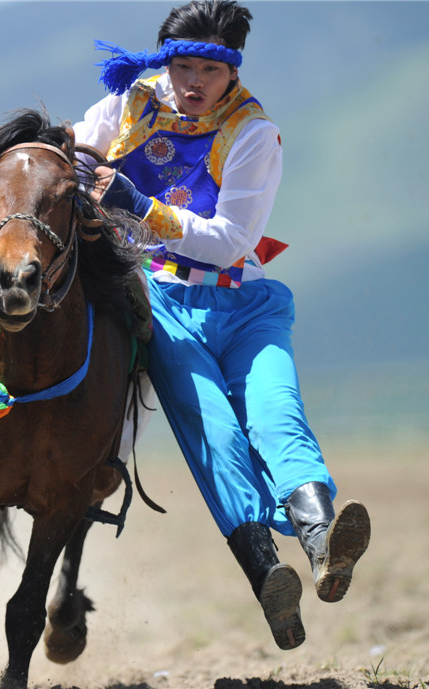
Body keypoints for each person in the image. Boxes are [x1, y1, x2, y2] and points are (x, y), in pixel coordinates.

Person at [73, 0, 370, 650]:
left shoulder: (254, 133)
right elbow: (77, 146)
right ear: (165, 63)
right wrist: (74, 164)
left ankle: (324, 544)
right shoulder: (128, 102)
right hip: (163, 303)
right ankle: (268, 577)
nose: (194, 82)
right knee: (218, 438)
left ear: (233, 70)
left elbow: (232, 240)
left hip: (247, 304)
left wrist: (138, 205)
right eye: (184, 66)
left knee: (276, 414)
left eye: (210, 69)